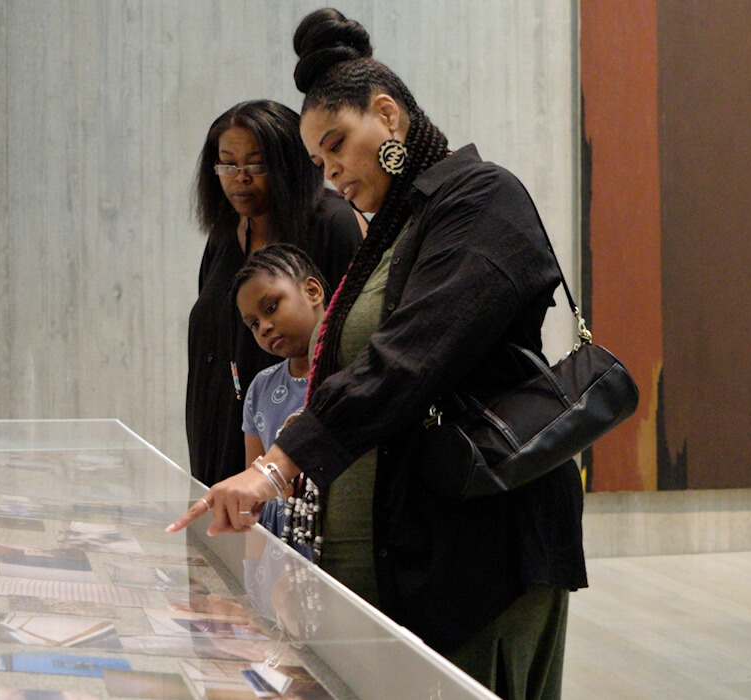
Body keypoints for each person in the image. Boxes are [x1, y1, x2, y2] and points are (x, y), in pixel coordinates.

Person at [170, 10, 585, 699]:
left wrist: (275, 467)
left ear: (387, 116)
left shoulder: (483, 200)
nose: (331, 174)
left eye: (337, 146)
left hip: (480, 556)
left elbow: (410, 358)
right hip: (406, 562)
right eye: (318, 161)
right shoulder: (397, 228)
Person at [185, 100, 363, 488]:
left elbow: (352, 342)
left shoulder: (331, 223)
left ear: (289, 163)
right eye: (228, 164)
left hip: (291, 436)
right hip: (216, 426)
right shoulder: (224, 235)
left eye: (256, 164)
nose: (240, 178)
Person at [230, 244, 328, 558]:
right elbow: (252, 490)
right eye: (253, 324)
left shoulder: (349, 375)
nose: (265, 327)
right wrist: (252, 567)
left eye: (271, 307)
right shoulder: (260, 388)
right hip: (276, 543)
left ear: (312, 291)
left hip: (331, 540)